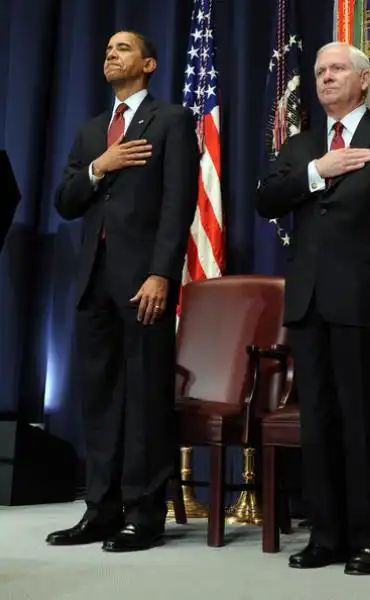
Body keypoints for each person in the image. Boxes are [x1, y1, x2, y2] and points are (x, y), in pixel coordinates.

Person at [256, 41, 370, 575]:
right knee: (319, 423)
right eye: (319, 71)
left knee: (366, 421)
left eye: (337, 69)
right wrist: (319, 168)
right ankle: (327, 534)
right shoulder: (303, 144)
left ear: (363, 80)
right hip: (311, 302)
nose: (326, 77)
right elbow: (267, 199)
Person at [46, 31, 199, 552]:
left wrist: (162, 273)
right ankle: (101, 508)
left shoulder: (172, 120)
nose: (111, 54)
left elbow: (179, 204)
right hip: (94, 281)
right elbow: (66, 201)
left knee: (145, 397)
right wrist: (99, 166)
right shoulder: (93, 132)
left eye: (123, 48)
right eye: (107, 48)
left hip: (143, 282)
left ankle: (144, 513)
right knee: (101, 398)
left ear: (149, 63)